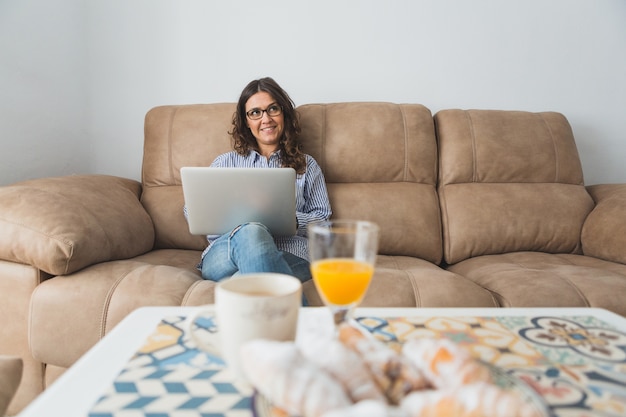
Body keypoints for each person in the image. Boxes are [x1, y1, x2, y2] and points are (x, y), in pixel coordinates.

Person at [191, 77, 331, 286]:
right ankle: (303, 319)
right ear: (246, 122)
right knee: (251, 231)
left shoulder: (307, 165)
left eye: (273, 109)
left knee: (242, 281)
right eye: (255, 112)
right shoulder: (224, 163)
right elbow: (193, 210)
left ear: (283, 113)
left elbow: (324, 222)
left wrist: (292, 221)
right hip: (226, 253)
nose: (266, 119)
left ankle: (248, 288)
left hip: (291, 252)